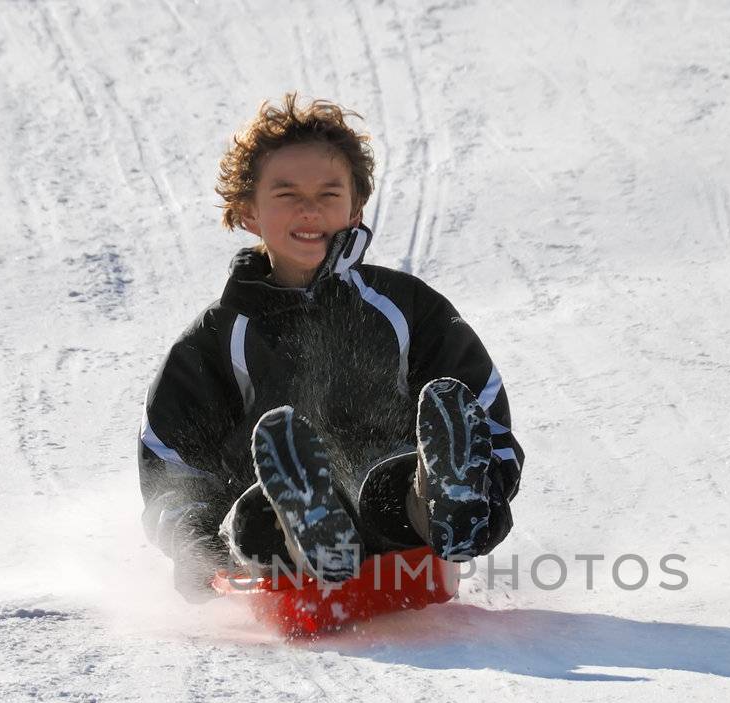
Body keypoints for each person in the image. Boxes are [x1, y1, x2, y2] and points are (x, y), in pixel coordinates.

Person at [137, 93, 524, 596]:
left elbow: (481, 403)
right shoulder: (219, 337)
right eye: (286, 193)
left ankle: (441, 498)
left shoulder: (405, 309)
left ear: (355, 207)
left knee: (401, 483)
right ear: (248, 212)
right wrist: (196, 542)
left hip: (400, 523)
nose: (309, 210)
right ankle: (295, 532)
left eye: (327, 193)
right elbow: (171, 460)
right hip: (266, 530)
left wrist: (491, 478)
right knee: (252, 517)